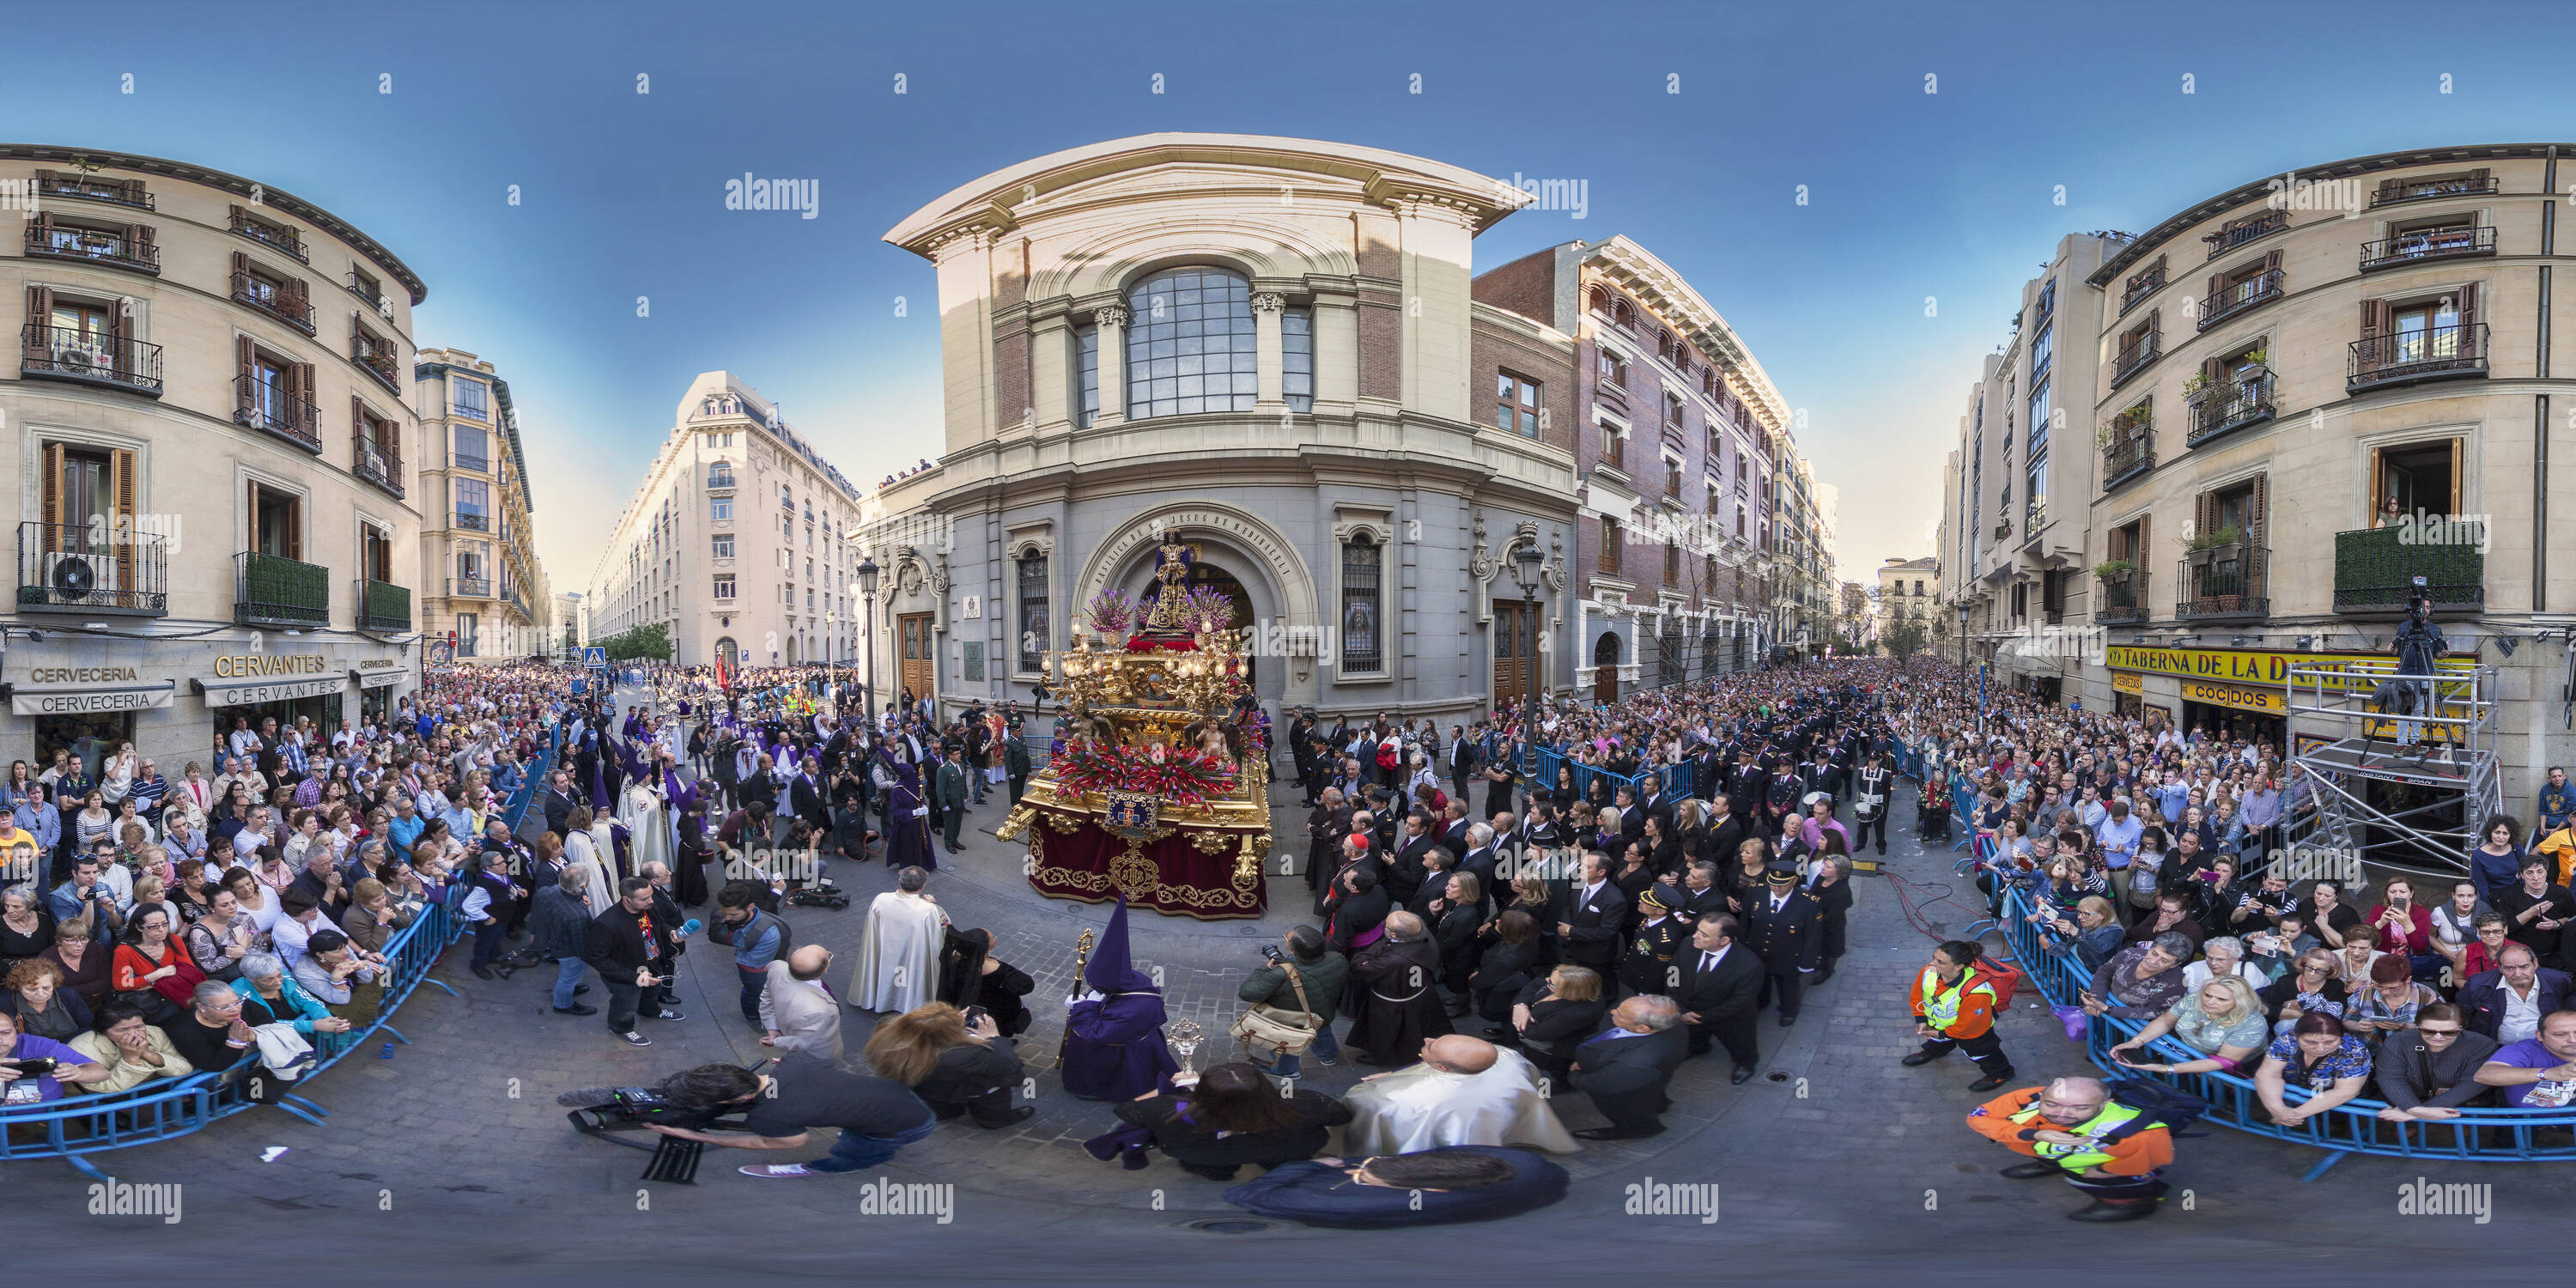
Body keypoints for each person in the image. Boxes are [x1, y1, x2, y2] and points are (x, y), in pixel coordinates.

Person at [645, 1056, 938, 1181]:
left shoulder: (768, 1118)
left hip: (901, 1126)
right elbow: (823, 1064)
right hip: (898, 1097)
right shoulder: (792, 1063)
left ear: (741, 1099)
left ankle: (822, 1168)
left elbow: (792, 1140)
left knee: (854, 1150)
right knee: (854, 1126)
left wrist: (694, 1135)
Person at [1966, 1075, 2173, 1222]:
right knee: (2053, 1155)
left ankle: (2126, 1204)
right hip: (2056, 1151)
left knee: (2110, 1184)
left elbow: (2150, 1157)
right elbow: (1978, 1118)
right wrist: (2034, 1135)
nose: (2062, 1114)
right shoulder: (2029, 1097)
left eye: (2080, 1108)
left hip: (2100, 1166)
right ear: (2042, 1096)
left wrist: (2102, 1172)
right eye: (2052, 1104)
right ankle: (2051, 1163)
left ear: (2104, 1105)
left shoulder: (2136, 1131)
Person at [1335, 1033, 1579, 1155]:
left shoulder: (1398, 1101)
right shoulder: (1506, 1056)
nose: (1427, 1039)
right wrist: (1395, 1073)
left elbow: (1364, 1107)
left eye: (1429, 1047)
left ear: (1441, 1068)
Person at [1220, 1145, 1570, 1230]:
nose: (1358, 1168)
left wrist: (1309, 1165)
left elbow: (1243, 1196)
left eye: (1366, 1176)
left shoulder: (1355, 1205)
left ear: (1435, 1191)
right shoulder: (1522, 1161)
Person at [1115, 1062, 1354, 1181]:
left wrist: (1169, 1086)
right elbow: (1342, 1116)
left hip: (1203, 1155)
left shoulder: (1165, 1110)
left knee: (1210, 1168)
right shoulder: (1308, 1102)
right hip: (1289, 1148)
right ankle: (1278, 1168)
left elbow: (1125, 1109)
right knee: (1283, 1158)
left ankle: (1219, 1174)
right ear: (1267, 1088)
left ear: (1202, 1093)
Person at [1060, 896, 1179, 1100]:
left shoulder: (1135, 1010)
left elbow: (1098, 1034)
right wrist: (1087, 999)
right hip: (1124, 1033)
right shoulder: (1126, 979)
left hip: (1124, 1050)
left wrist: (1083, 1008)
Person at [864, 1000, 1030, 1128]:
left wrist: (949, 1021)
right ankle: (993, 1121)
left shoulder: (893, 1037)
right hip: (975, 1088)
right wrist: (993, 1037)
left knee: (940, 1104)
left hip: (930, 1088)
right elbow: (1008, 1062)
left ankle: (948, 1111)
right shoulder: (966, 1055)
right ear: (947, 1035)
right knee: (992, 1109)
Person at [1569, 994, 1691, 1139]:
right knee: (1652, 1095)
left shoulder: (1637, 1062)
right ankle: (1659, 1105)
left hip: (1624, 1091)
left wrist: (1575, 1076)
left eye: (1620, 1013)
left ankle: (1635, 1130)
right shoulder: (1670, 1018)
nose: (1612, 1011)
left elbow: (1601, 1084)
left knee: (1628, 1113)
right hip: (1651, 1078)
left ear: (1642, 1028)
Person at [1903, 939, 2014, 1091]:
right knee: (1937, 1040)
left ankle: (2001, 1073)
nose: (1932, 963)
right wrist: (1921, 1019)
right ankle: (1935, 1050)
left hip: (1973, 1032)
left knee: (1982, 1053)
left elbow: (1969, 1026)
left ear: (1959, 966)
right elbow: (1917, 996)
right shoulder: (1929, 972)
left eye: (1940, 962)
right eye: (1934, 957)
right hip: (1940, 1024)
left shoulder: (1977, 993)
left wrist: (1942, 1033)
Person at [584, 876, 683, 1048]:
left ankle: (650, 1011)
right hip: (626, 976)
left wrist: (670, 933)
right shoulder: (606, 924)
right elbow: (596, 958)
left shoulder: (648, 907)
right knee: (626, 1004)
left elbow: (659, 925)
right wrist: (634, 978)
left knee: (652, 992)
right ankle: (620, 1028)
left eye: (651, 895)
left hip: (653, 964)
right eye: (644, 898)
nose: (651, 901)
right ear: (627, 899)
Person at [1238, 925, 1348, 1079]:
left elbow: (1247, 992)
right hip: (1322, 1014)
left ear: (1293, 950)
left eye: (1287, 938)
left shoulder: (1282, 973)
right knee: (1322, 1033)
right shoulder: (1338, 959)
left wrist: (1264, 970)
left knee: (1284, 1044)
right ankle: (1328, 1057)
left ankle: (1288, 1071)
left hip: (1292, 1021)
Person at [1345, 910, 1450, 1066]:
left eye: (1385, 925)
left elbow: (1359, 965)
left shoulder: (1391, 961)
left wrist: (1381, 946)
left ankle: (1382, 1056)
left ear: (1393, 935)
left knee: (1383, 1031)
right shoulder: (1427, 938)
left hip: (1391, 1002)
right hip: (1419, 992)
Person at [2108, 976, 2268, 1076]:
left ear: (2239, 1002)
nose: (2210, 1001)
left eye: (2221, 999)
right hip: (2184, 1050)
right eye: (2208, 995)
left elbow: (2222, 1061)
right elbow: (2165, 1021)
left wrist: (2166, 1068)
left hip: (2218, 1069)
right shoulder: (2194, 999)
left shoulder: (2252, 1024)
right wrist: (2136, 1042)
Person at [1671, 913, 1763, 1084]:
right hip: (1689, 1008)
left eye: (1704, 935)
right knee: (1694, 1036)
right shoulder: (1687, 945)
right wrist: (1679, 1005)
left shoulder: (1749, 965)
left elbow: (1739, 1002)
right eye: (1698, 930)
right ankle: (1698, 1048)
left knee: (1739, 1044)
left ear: (1724, 941)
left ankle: (1745, 1065)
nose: (1695, 936)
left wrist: (1702, 1017)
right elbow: (1673, 972)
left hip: (1727, 1018)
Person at [2372, 1003, 2500, 1122]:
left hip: (2458, 1102)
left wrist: (2416, 1111)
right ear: (2417, 1026)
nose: (2438, 1037)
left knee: (2462, 1135)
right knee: (2404, 1134)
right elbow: (2390, 1077)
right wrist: (2413, 1108)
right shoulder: (2398, 1042)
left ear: (2461, 1028)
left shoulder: (2482, 1045)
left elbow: (2472, 1083)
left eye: (2449, 1032)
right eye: (2428, 1031)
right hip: (2409, 1096)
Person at [848, 866, 946, 1013]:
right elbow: (940, 932)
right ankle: (908, 1002)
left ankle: (881, 997)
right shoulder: (927, 909)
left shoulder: (881, 899)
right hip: (911, 957)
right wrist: (934, 905)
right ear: (922, 886)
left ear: (899, 882)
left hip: (885, 952)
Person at [2253, 1012, 2375, 1127]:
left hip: (2333, 1106)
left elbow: (2346, 1091)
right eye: (2310, 1042)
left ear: (2341, 1036)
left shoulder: (2353, 1049)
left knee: (2331, 1128)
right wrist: (2277, 1109)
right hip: (2294, 1095)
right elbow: (2268, 1074)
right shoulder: (2287, 1039)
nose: (2320, 1049)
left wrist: (2293, 1116)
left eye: (2330, 1042)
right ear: (2297, 1036)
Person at [1741, 864, 1822, 1026]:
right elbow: (1745, 923)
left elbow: (1812, 936)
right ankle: (1761, 1003)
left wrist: (1806, 963)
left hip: (1788, 955)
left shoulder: (1808, 903)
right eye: (1773, 883)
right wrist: (1742, 950)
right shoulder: (1756, 892)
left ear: (1794, 881)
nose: (1776, 888)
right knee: (1759, 982)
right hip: (1757, 951)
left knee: (1787, 986)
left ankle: (1789, 1010)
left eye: (1782, 884)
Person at [69, 998, 195, 1094]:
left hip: (152, 1089)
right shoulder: (81, 1048)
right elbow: (102, 1088)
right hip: (105, 1099)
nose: (134, 1033)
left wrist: (148, 1054)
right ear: (103, 1031)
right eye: (122, 1030)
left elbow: (185, 1068)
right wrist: (130, 1059)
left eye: (139, 1026)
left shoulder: (155, 1032)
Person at [2457, 943, 2573, 1043]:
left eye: (2524, 967)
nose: (2518, 974)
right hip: (2494, 1049)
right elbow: (2462, 1016)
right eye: (2509, 968)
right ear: (2500, 968)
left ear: (2535, 963)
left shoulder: (2558, 981)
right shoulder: (2477, 984)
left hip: (2545, 1048)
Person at [709, 880, 789, 1024]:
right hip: (752, 962)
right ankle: (752, 1016)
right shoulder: (730, 912)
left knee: (753, 992)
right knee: (752, 993)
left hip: (755, 970)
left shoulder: (768, 936)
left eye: (733, 914)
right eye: (724, 913)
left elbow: (749, 964)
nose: (726, 918)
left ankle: (753, 1015)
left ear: (750, 907)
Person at [0, 1007, 114, 1103]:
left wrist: (79, 1073)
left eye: (5, 1033)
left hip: (49, 1116)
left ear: (16, 1031)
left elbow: (102, 1073)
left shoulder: (38, 1045)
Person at [528, 864, 598, 1017]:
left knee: (567, 976)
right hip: (569, 952)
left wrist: (534, 932)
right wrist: (594, 960)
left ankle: (568, 988)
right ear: (583, 885)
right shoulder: (577, 915)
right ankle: (563, 1003)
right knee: (569, 977)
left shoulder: (547, 891)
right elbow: (581, 945)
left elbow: (536, 913)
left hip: (554, 942)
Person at [2471, 1007, 2576, 1109]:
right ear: (2539, 1036)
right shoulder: (2524, 1050)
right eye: (2560, 1034)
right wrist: (2547, 1073)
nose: (2572, 1040)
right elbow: (2484, 1075)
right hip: (2524, 1123)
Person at [760, 945, 842, 1062]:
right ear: (826, 968)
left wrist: (772, 1026)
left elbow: (766, 997)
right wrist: (777, 1042)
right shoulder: (821, 1011)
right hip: (817, 1055)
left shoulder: (778, 968)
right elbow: (805, 1041)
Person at [2083, 933, 2191, 1022]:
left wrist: (2107, 1009)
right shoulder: (2129, 954)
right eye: (2154, 953)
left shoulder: (2175, 983)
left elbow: (2154, 1011)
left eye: (2164, 960)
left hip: (2132, 1028)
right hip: (2101, 1012)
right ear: (2150, 948)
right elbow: (2103, 974)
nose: (2153, 962)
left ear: (2175, 965)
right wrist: (2095, 1000)